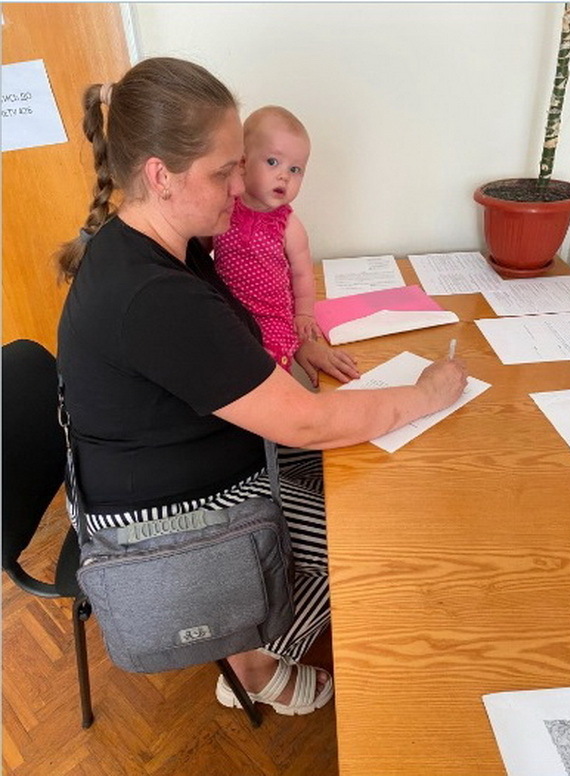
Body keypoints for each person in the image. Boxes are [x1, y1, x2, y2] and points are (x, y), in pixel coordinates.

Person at [55, 57, 467, 716]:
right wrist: (429, 393)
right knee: (377, 544)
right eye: (224, 171)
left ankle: (255, 630)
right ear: (161, 176)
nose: (239, 184)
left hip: (199, 457)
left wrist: (302, 342)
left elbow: (235, 345)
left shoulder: (165, 243)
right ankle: (250, 660)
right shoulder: (152, 296)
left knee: (366, 481)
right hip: (165, 520)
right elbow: (304, 421)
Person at [212, 105, 351, 385]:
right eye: (273, 162)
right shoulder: (224, 209)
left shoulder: (289, 226)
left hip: (272, 320)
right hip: (228, 313)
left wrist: (304, 313)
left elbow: (302, 274)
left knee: (271, 378)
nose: (284, 176)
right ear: (242, 162)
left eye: (295, 169)